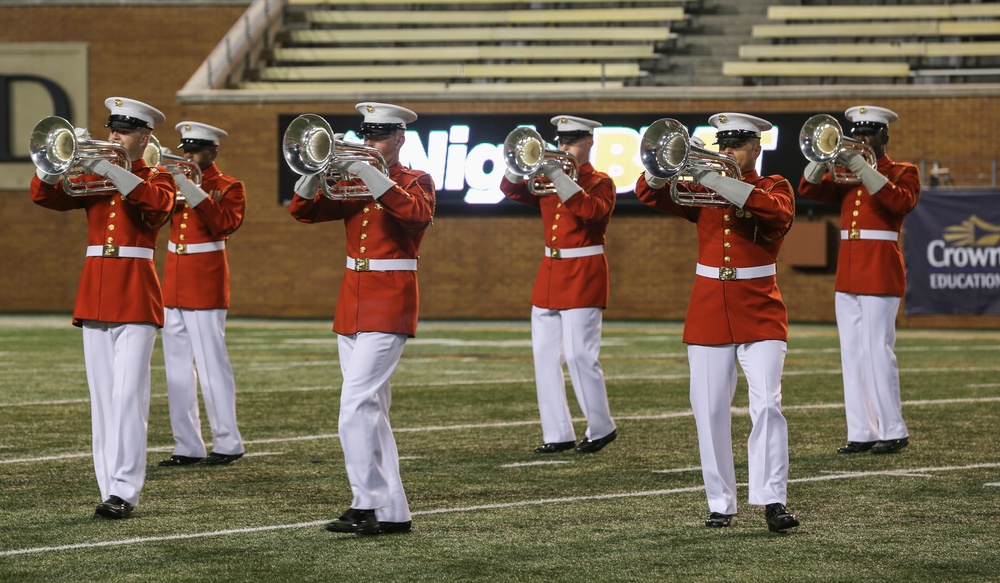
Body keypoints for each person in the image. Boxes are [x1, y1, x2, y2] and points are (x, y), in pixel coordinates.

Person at [635, 113, 799, 532]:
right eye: (722, 142)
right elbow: (647, 192)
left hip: (760, 308)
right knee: (708, 410)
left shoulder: (773, 186)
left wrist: (715, 178)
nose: (727, 150)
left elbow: (773, 213)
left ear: (756, 147)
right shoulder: (703, 187)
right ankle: (721, 503)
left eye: (737, 144)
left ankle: (772, 500)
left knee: (766, 404)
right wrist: (663, 169)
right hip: (709, 307)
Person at [288, 102, 435, 536]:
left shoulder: (415, 180)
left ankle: (366, 501)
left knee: (353, 404)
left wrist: (371, 172)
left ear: (399, 139)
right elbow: (303, 212)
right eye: (366, 135)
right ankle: (394, 512)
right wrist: (317, 171)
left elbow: (415, 216)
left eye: (379, 136)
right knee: (370, 409)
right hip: (352, 302)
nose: (369, 143)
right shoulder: (349, 181)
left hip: (390, 302)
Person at [30, 97, 175, 519]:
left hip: (135, 293)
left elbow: (157, 207)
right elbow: (45, 196)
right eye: (112, 128)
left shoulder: (156, 176)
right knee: (103, 401)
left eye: (125, 130)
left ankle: (125, 491)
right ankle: (107, 486)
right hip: (95, 291)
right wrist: (52, 163)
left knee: (128, 397)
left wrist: (109, 168)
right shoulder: (90, 177)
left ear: (144, 136)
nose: (113, 136)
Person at [798, 105, 919, 455]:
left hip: (880, 269)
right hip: (848, 270)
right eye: (858, 132)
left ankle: (893, 428)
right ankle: (862, 431)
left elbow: (901, 202)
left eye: (869, 133)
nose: (862, 138)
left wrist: (862, 167)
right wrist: (824, 158)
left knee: (877, 350)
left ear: (885, 136)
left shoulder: (902, 171)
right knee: (851, 354)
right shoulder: (847, 172)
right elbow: (808, 186)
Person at [499, 115, 618, 455]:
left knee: (581, 354)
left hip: (583, 271)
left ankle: (602, 426)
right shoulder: (547, 179)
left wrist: (556, 175)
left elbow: (589, 212)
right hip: (550, 272)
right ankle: (558, 432)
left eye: (573, 141)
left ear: (589, 142)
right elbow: (509, 189)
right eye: (561, 141)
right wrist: (518, 163)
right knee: (545, 356)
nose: (564, 147)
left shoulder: (601, 182)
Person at [158, 121, 247, 468]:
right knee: (176, 368)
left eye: (195, 149)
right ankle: (187, 445)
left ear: (213, 151)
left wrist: (189, 187)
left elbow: (224, 223)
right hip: (174, 278)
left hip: (205, 279)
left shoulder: (229, 186)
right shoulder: (173, 181)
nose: (188, 155)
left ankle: (228, 441)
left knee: (212, 365)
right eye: (186, 149)